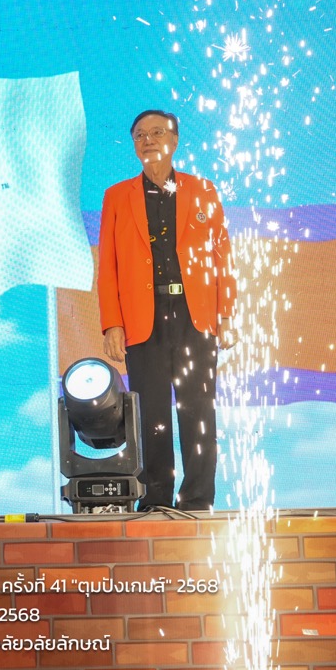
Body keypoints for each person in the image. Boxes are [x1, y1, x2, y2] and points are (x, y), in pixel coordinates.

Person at [97, 110, 236, 511]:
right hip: (144, 318)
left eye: (157, 132)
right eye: (139, 135)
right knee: (150, 412)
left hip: (195, 315)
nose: (148, 140)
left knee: (198, 409)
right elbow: (108, 267)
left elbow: (222, 257)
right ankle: (156, 499)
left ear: (174, 141)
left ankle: (198, 499)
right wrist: (112, 323)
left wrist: (226, 314)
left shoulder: (203, 190)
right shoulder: (117, 196)